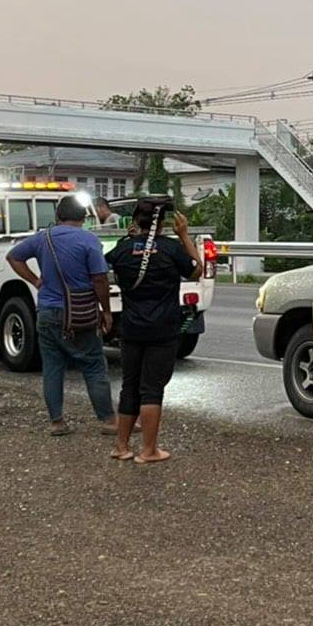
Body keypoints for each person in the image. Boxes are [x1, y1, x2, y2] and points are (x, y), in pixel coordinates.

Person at [6, 194, 116, 436]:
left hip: (46, 311)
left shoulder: (42, 238)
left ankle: (57, 422)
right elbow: (99, 279)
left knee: (53, 367)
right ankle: (108, 420)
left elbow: (13, 257)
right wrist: (106, 310)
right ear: (84, 218)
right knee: (93, 364)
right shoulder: (89, 240)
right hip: (79, 313)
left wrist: (35, 281)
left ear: (57, 216)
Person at [105, 198, 201, 464]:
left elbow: (105, 265)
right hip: (163, 328)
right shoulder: (171, 248)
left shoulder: (123, 249)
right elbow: (196, 271)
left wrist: (131, 239)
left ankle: (121, 446)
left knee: (130, 385)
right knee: (152, 388)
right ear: (164, 224)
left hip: (131, 327)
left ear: (136, 220)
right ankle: (148, 450)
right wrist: (185, 236)